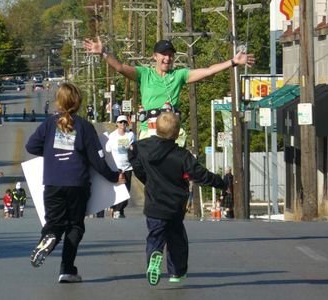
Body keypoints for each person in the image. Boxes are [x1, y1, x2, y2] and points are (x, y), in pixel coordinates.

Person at [25, 82, 123, 283]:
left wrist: (51, 153)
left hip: (53, 182)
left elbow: (30, 146)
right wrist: (115, 177)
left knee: (54, 222)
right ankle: (67, 270)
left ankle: (48, 237)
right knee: (75, 226)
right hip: (77, 183)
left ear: (58, 102)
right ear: (78, 103)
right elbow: (98, 161)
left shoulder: (48, 124)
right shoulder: (85, 127)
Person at [84, 37, 255, 144]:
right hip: (149, 132)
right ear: (155, 56)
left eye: (170, 55)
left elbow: (208, 71)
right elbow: (120, 67)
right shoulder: (145, 74)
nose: (167, 58)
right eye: (163, 54)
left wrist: (232, 62)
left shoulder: (178, 75)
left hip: (172, 134)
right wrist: (103, 53)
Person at [128, 112, 226, 286]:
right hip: (175, 206)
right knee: (177, 239)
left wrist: (145, 177)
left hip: (154, 205)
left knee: (154, 236)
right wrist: (220, 183)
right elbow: (200, 175)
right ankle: (176, 272)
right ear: (177, 132)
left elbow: (133, 156)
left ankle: (154, 256)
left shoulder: (142, 147)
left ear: (155, 128)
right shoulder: (182, 155)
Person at [106, 115, 135, 218]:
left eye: (124, 122)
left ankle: (119, 210)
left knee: (126, 191)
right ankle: (117, 210)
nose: (123, 124)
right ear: (117, 124)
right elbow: (108, 149)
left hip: (127, 167)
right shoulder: (112, 136)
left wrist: (130, 147)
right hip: (116, 167)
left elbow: (133, 147)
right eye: (120, 122)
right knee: (118, 190)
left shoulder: (130, 135)